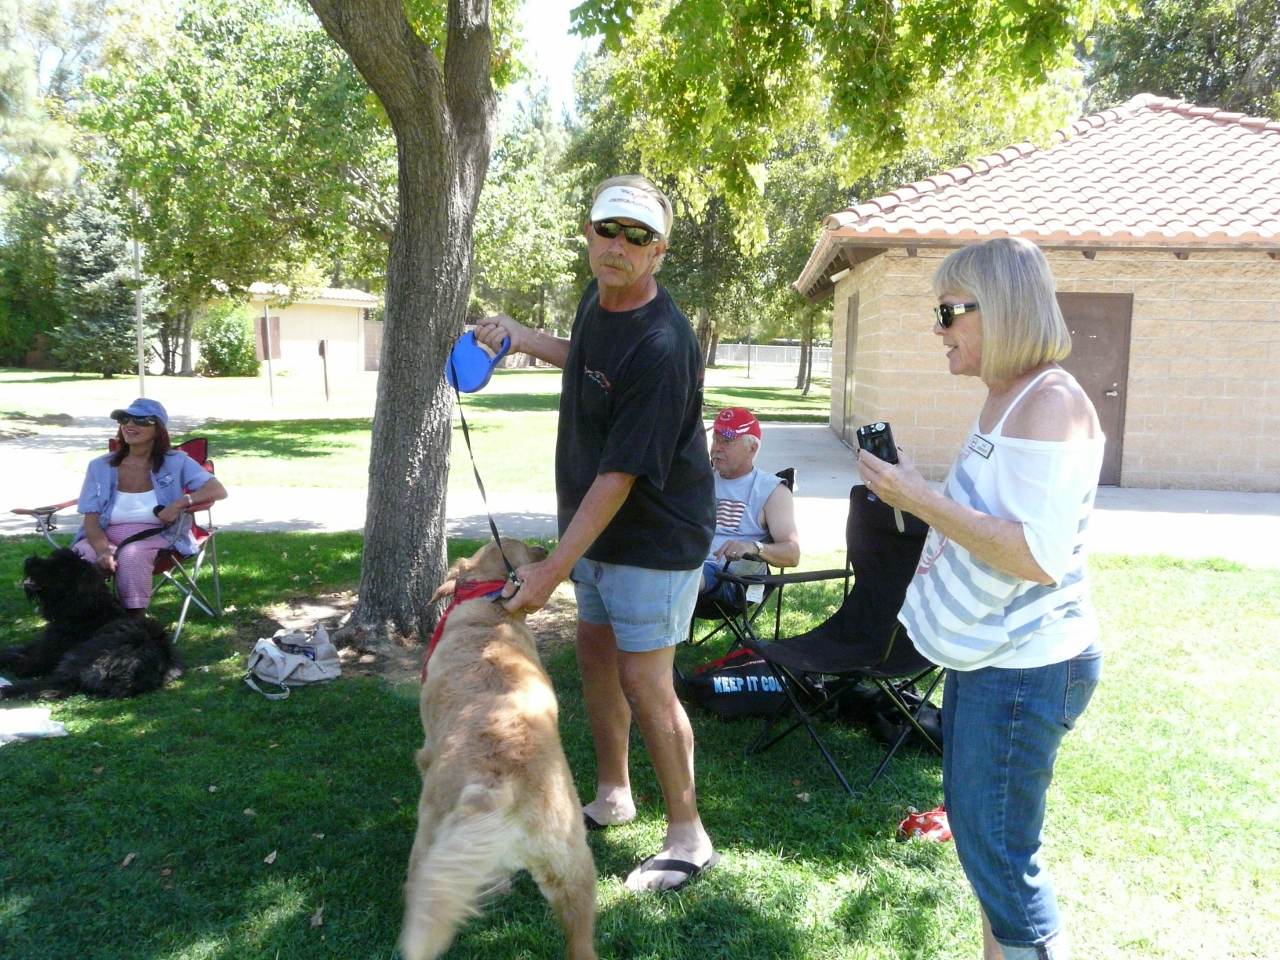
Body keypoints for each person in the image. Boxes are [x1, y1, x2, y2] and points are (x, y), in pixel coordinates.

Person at [856, 237, 1104, 960]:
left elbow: (1036, 555)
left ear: (998, 309)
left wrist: (920, 498)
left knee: (1001, 860)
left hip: (1028, 667)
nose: (937, 329)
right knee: (983, 846)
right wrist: (913, 490)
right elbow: (990, 516)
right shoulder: (1008, 396)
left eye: (947, 312)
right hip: (991, 656)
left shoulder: (1051, 404)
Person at [475, 175, 718, 893]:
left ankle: (689, 835)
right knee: (595, 656)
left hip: (656, 537)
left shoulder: (664, 344)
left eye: (637, 237)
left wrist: (551, 568)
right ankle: (614, 794)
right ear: (589, 232)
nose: (619, 245)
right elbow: (584, 357)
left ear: (658, 252)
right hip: (597, 531)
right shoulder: (597, 298)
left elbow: (620, 475)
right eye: (608, 229)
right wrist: (522, 338)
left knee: (647, 681)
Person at [72, 399, 228, 612]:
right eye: (124, 419)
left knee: (132, 556)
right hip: (104, 536)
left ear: (158, 429)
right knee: (79, 561)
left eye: (141, 420)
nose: (130, 424)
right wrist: (102, 551)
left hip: (158, 535)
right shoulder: (100, 466)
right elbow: (91, 520)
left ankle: (134, 621)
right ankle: (81, 621)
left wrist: (180, 503)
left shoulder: (177, 462)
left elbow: (217, 490)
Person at [700, 407, 800, 603]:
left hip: (733, 580)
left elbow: (792, 554)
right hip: (688, 563)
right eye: (715, 440)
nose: (716, 448)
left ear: (752, 449)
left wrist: (754, 547)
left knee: (678, 578)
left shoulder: (771, 490)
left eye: (727, 442)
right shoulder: (700, 479)